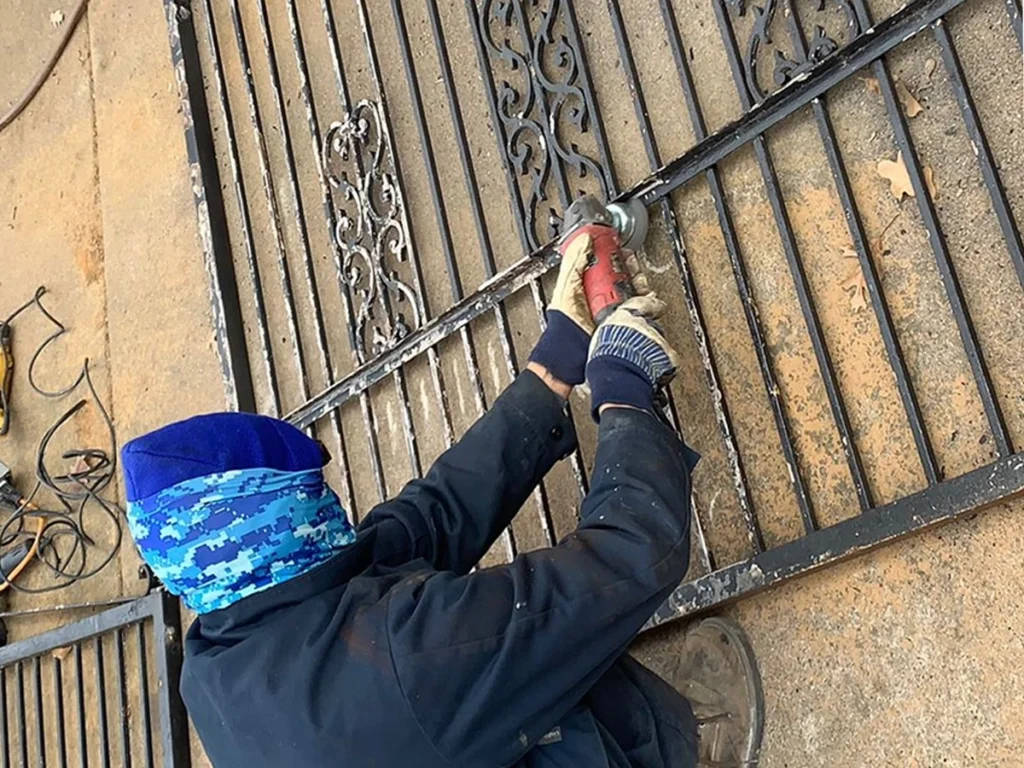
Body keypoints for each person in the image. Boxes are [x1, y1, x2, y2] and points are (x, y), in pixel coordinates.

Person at [122, 224, 763, 767]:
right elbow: (633, 554)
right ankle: (683, 742)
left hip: (421, 731)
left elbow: (426, 521)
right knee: (559, 650)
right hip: (432, 708)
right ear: (274, 525)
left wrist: (552, 370)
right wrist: (623, 390)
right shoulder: (410, 657)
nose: (333, 502)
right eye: (310, 497)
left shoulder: (217, 654)